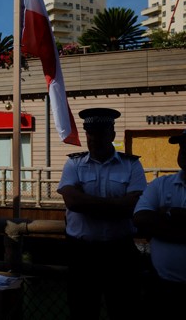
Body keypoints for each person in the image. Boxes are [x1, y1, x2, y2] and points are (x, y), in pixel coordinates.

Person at [57, 108, 147, 320]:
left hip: (120, 252)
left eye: (100, 133)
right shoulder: (73, 163)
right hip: (82, 254)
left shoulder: (131, 164)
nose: (94, 138)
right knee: (82, 311)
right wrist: (117, 204)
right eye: (90, 133)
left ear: (112, 135)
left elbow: (133, 205)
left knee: (123, 310)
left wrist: (88, 203)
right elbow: (72, 201)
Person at [133, 125, 186, 320]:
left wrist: (167, 214)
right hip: (163, 288)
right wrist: (181, 225)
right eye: (183, 147)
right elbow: (141, 218)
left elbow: (151, 220)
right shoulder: (161, 184)